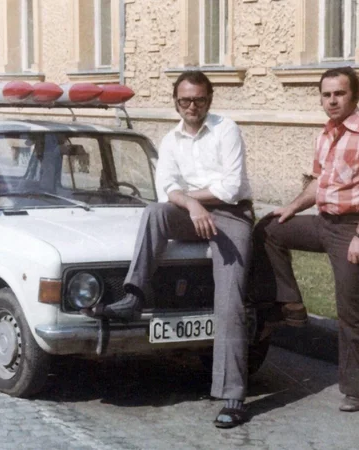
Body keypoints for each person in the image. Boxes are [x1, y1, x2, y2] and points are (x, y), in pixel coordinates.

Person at [83, 70, 255, 428]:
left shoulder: (227, 130)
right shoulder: (171, 139)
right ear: (175, 102)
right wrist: (191, 206)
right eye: (185, 100)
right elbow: (166, 191)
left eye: (200, 100)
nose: (192, 107)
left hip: (231, 217)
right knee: (155, 212)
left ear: (210, 100)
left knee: (230, 301)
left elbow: (230, 187)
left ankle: (233, 396)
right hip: (191, 213)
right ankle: (133, 296)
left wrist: (189, 199)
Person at [251, 66, 359, 412]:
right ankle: (291, 304)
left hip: (350, 228)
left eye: (339, 93)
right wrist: (291, 208)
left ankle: (357, 388)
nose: (332, 100)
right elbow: (318, 183)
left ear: (354, 95)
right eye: (327, 94)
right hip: (322, 222)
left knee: (351, 309)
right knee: (268, 229)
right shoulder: (326, 134)